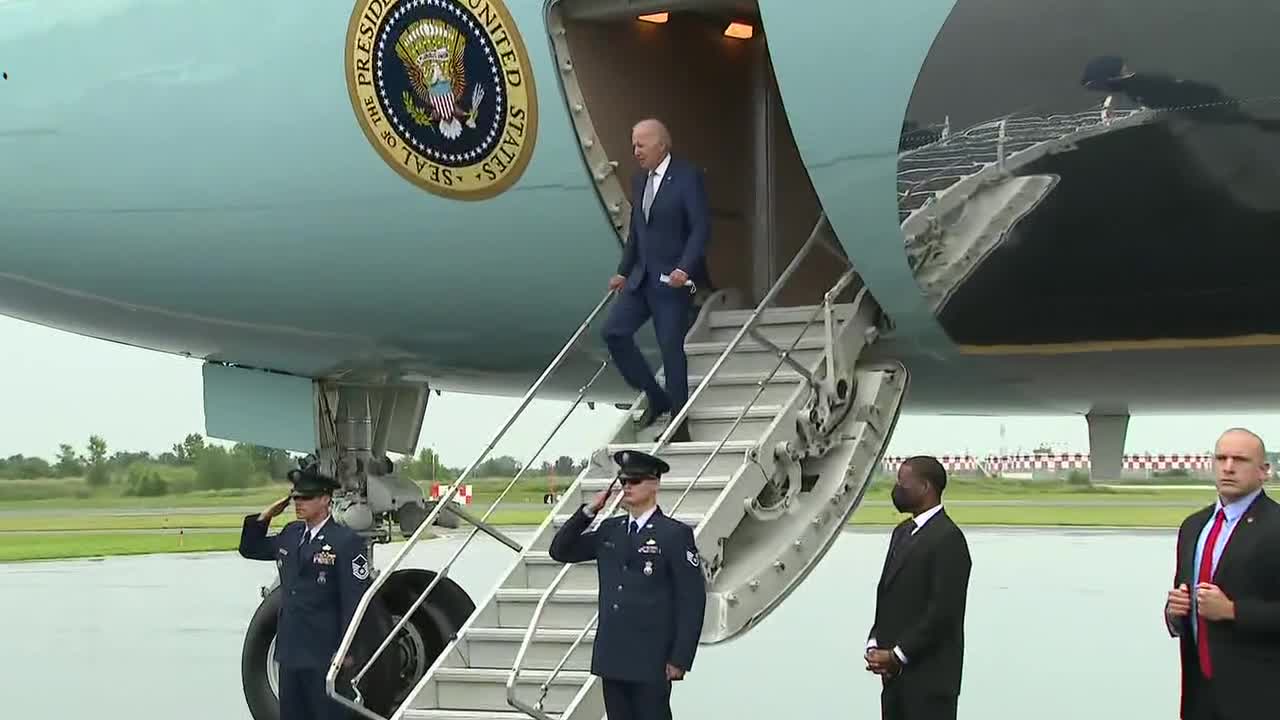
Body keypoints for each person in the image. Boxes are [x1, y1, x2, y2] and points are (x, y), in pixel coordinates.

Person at [549, 449, 707, 720]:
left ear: (654, 484)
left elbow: (692, 600)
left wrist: (680, 658)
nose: (626, 488)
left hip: (652, 658)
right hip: (613, 655)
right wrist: (589, 511)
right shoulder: (610, 530)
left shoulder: (674, 534)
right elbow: (561, 550)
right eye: (623, 482)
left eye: (634, 482)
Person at [602, 118, 710, 444]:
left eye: (641, 144)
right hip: (641, 280)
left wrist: (685, 268)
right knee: (613, 332)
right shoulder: (640, 182)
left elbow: (700, 229)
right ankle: (654, 394)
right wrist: (623, 270)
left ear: (661, 145)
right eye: (633, 144)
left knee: (670, 349)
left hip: (671, 282)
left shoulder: (687, 178)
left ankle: (680, 422)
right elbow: (637, 233)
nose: (635, 151)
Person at [1164, 427, 1280, 720]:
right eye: (1221, 458)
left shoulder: (1275, 527)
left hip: (1261, 698)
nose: (1228, 467)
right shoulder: (1193, 526)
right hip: (1199, 697)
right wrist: (1174, 613)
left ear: (1264, 471)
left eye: (1239, 459)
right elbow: (1183, 601)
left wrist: (1233, 610)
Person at [239, 464, 370, 720]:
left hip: (324, 654)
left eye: (306, 498)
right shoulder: (291, 534)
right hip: (290, 653)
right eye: (295, 498)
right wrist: (267, 515)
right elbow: (250, 548)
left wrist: (347, 651)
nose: (298, 503)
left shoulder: (345, 542)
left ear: (325, 499)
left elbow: (354, 601)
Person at [865, 456, 972, 720]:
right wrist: (875, 641)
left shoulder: (949, 539)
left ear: (925, 487)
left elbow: (942, 613)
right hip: (894, 680)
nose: (896, 489)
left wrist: (898, 655)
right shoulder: (901, 533)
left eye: (903, 483)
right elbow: (887, 595)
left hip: (929, 683)